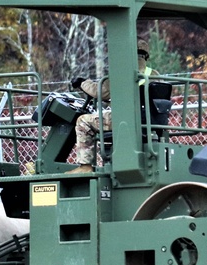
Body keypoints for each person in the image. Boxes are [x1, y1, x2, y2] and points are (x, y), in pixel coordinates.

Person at [66, 39, 159, 174]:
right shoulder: (154, 74)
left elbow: (101, 92)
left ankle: (85, 166)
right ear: (146, 55)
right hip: (151, 121)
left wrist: (82, 83)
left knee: (83, 121)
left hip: (125, 120)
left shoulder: (124, 73)